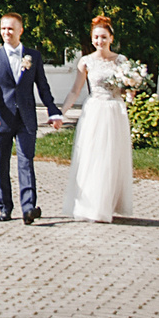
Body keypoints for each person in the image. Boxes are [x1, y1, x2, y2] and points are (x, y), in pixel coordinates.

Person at [0, 11, 62, 223]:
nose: (6, 32)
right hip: (2, 119)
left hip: (26, 118)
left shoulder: (33, 56)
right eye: (3, 28)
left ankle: (28, 208)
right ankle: (5, 207)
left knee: (26, 161)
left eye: (11, 28)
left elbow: (43, 87)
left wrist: (53, 111)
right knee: (2, 164)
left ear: (20, 30)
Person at [58, 14, 138, 222]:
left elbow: (127, 89)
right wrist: (61, 112)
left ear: (111, 38)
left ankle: (108, 203)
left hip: (115, 111)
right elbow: (75, 90)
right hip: (95, 111)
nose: (99, 41)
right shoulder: (86, 62)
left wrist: (131, 89)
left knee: (111, 158)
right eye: (96, 37)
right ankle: (91, 205)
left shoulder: (121, 61)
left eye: (103, 37)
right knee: (92, 157)